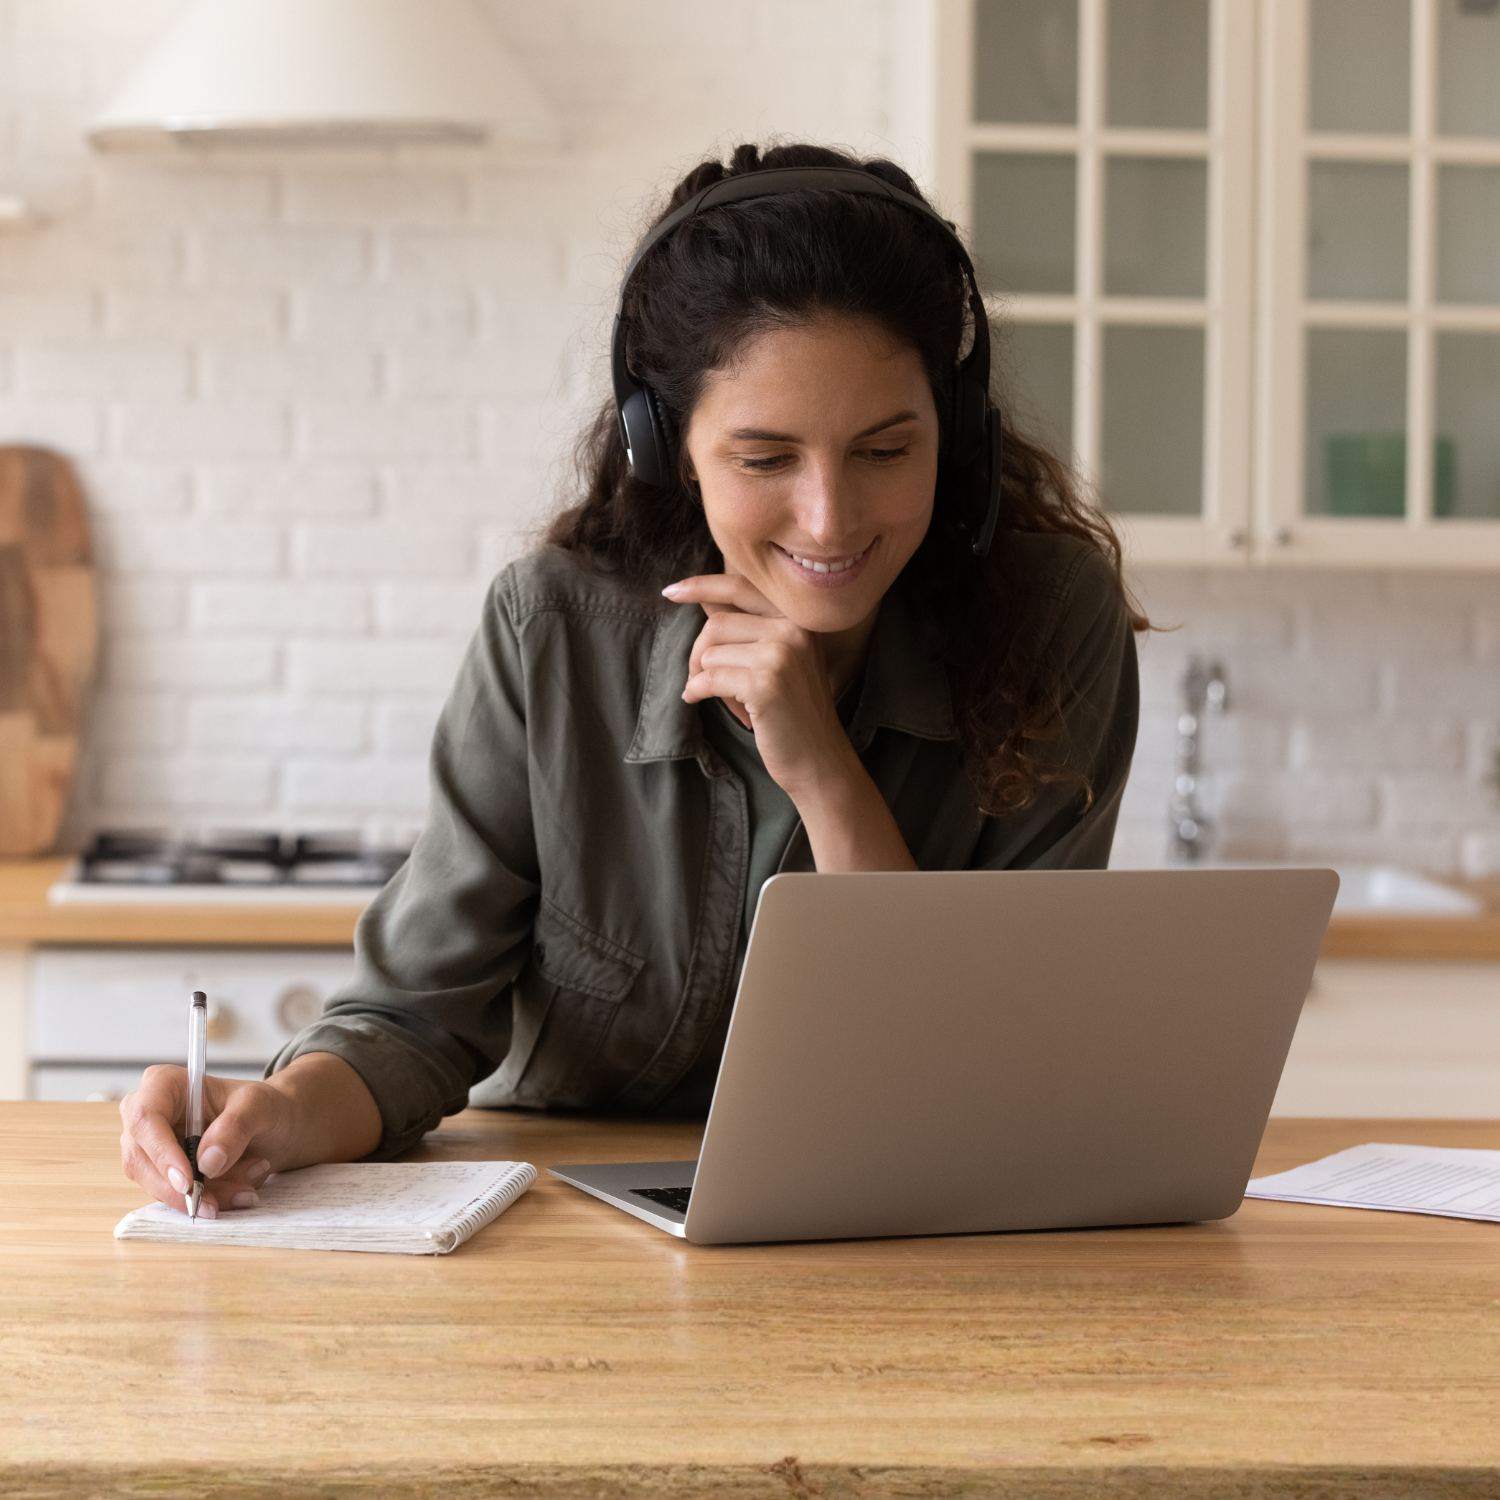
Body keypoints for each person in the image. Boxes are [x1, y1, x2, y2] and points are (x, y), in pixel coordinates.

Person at [119, 143, 1144, 1217]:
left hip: (900, 1226)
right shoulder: (551, 628)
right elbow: (415, 1021)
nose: (831, 518)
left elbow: (979, 1077)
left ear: (958, 431)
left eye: (887, 451)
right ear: (670, 448)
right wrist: (271, 1116)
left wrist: (824, 774)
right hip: (566, 1233)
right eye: (764, 460)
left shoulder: (1051, 620)